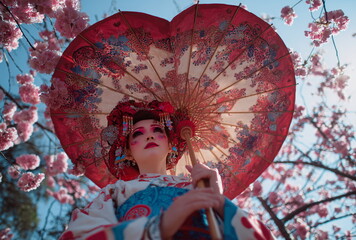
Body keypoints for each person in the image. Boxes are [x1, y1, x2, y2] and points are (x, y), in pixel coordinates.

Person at [59, 100, 275, 240]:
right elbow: (80, 235)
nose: (150, 136)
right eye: (138, 134)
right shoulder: (115, 192)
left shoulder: (196, 185)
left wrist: (219, 202)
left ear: (171, 144)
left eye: (157, 130)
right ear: (128, 151)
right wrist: (156, 228)